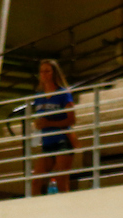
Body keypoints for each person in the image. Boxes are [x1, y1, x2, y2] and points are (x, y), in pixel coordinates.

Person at [31, 59, 76, 196]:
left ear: (54, 73)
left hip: (62, 140)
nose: (44, 75)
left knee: (61, 181)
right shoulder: (39, 96)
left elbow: (71, 119)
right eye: (41, 72)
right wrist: (38, 123)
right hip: (47, 142)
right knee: (35, 181)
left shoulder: (63, 93)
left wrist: (49, 123)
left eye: (47, 71)